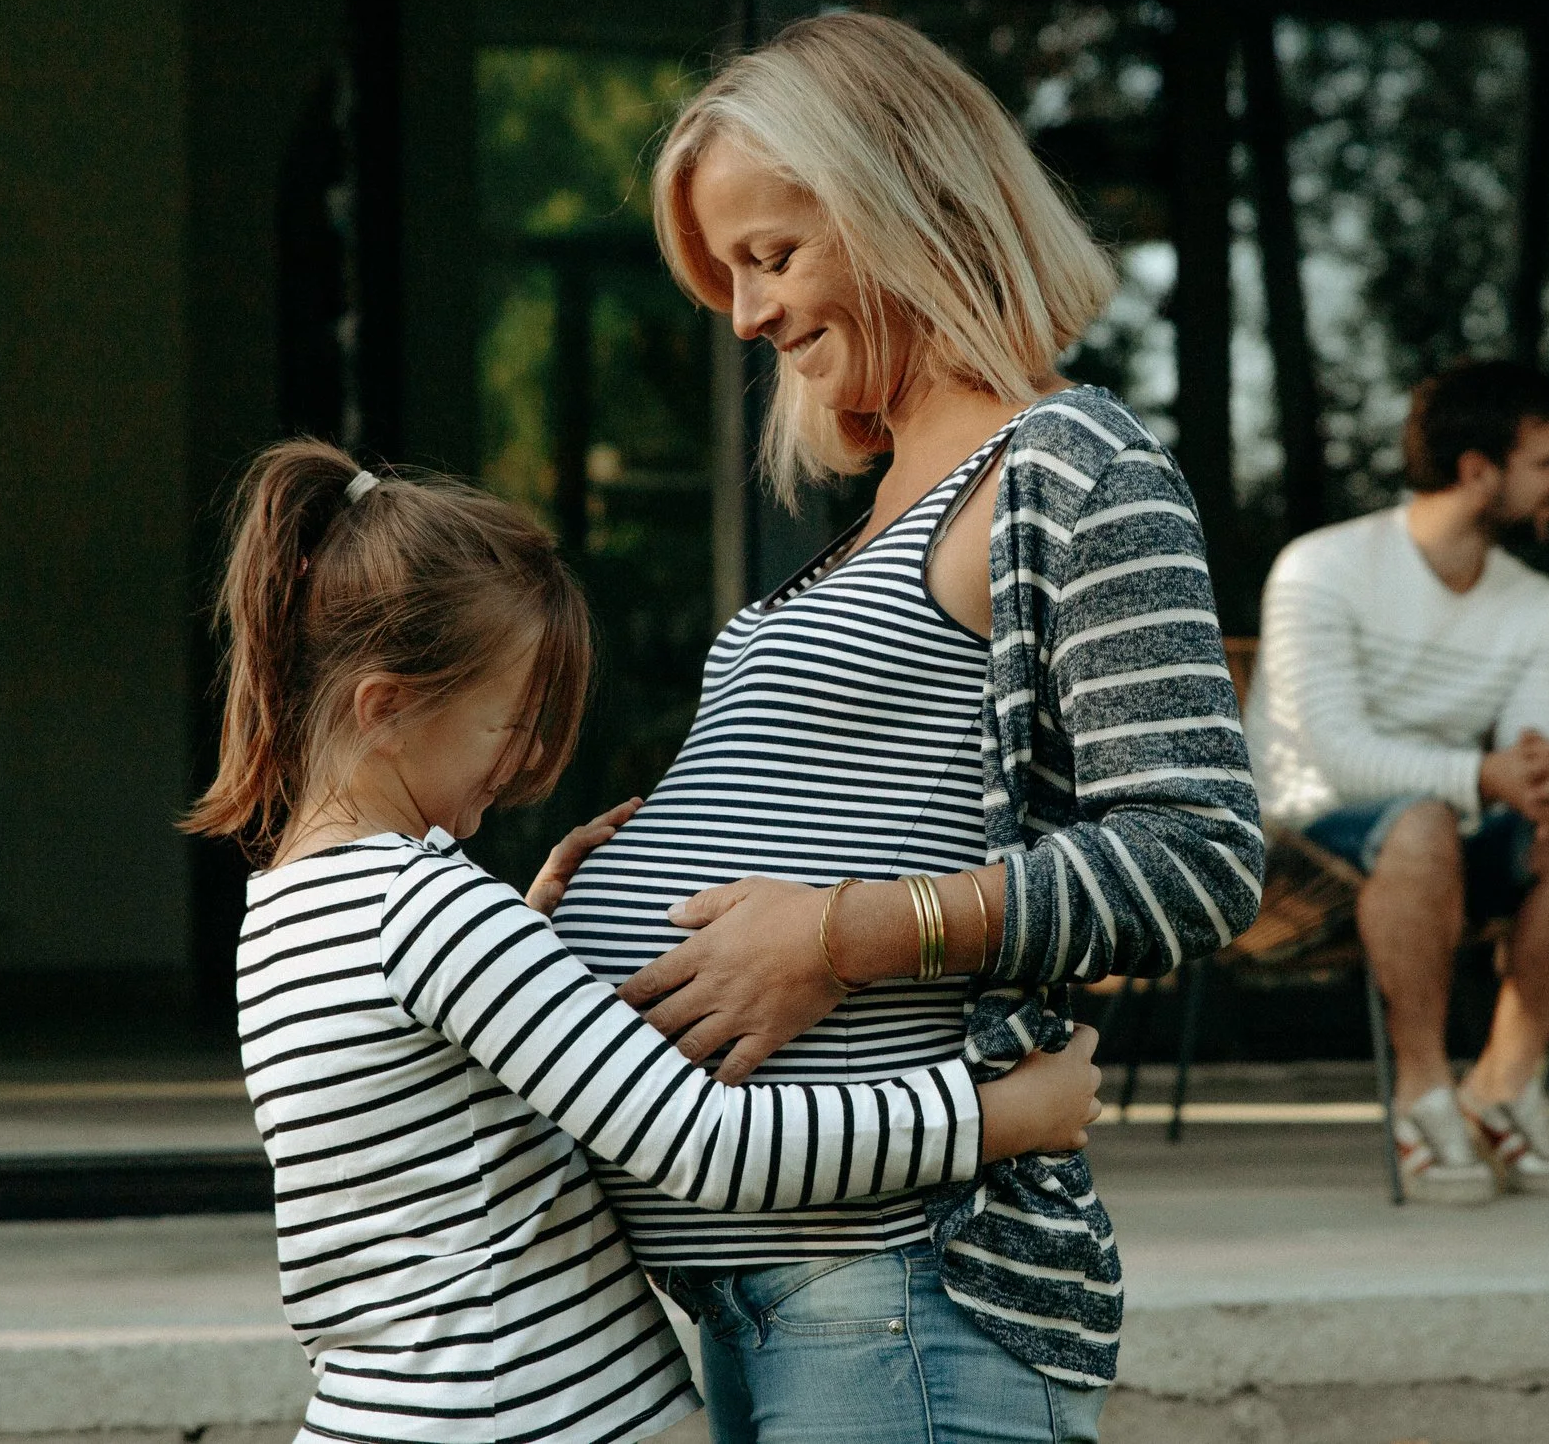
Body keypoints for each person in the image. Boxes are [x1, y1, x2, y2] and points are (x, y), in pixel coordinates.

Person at [550, 11, 1262, 1444]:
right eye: (728, 278)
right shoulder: (871, 520)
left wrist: (841, 936)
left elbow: (1198, 853)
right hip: (783, 1293)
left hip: (910, 1293)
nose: (747, 317)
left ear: (907, 203)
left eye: (772, 255)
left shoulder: (1074, 464)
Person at [184, 439, 1104, 1444]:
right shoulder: (428, 911)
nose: (528, 760)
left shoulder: (287, 902)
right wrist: (994, 1113)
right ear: (387, 708)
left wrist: (525, 942)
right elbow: (708, 1145)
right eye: (511, 722)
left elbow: (433, 1141)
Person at [1246, 360, 1549, 1205]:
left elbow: (1536, 741)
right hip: (1302, 832)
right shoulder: (1324, 567)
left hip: (1443, 826)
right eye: (1547, 461)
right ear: (1476, 469)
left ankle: (1501, 1086)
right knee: (1419, 823)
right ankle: (1423, 1091)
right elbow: (1336, 755)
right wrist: (1484, 775)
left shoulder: (1534, 601)